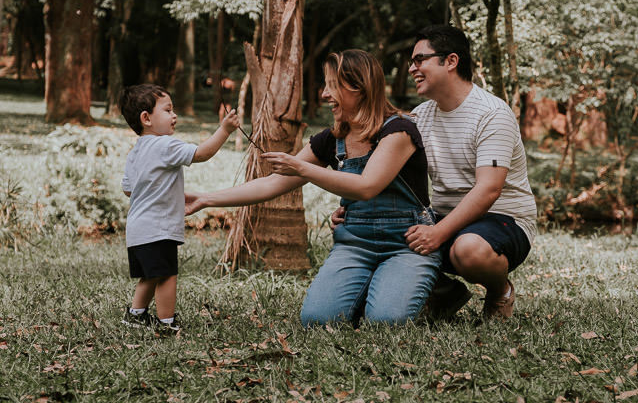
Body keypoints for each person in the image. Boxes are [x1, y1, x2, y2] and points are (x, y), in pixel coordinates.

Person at [185, 50, 440, 326]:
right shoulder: (333, 138)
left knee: (387, 322)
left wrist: (302, 168)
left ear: (358, 87)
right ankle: (380, 285)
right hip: (355, 243)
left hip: (407, 241)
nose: (324, 95)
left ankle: (432, 289)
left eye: (331, 86)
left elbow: (367, 187)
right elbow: (273, 183)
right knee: (317, 320)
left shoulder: (398, 130)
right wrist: (206, 199)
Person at [334, 25, 536, 320]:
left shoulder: (492, 114)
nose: (412, 68)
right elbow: (384, 172)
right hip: (439, 215)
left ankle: (499, 290)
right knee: (383, 232)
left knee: (468, 250)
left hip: (503, 219)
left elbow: (489, 190)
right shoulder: (421, 116)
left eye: (420, 60)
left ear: (451, 61)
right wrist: (352, 210)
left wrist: (438, 233)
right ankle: (443, 292)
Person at [119, 84, 240, 332]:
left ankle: (136, 315)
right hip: (158, 227)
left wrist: (162, 190)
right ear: (146, 118)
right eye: (168, 110)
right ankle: (166, 322)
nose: (174, 116)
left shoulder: (136, 151)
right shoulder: (165, 145)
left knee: (151, 274)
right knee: (166, 275)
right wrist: (224, 130)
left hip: (138, 228)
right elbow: (202, 153)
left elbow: (129, 189)